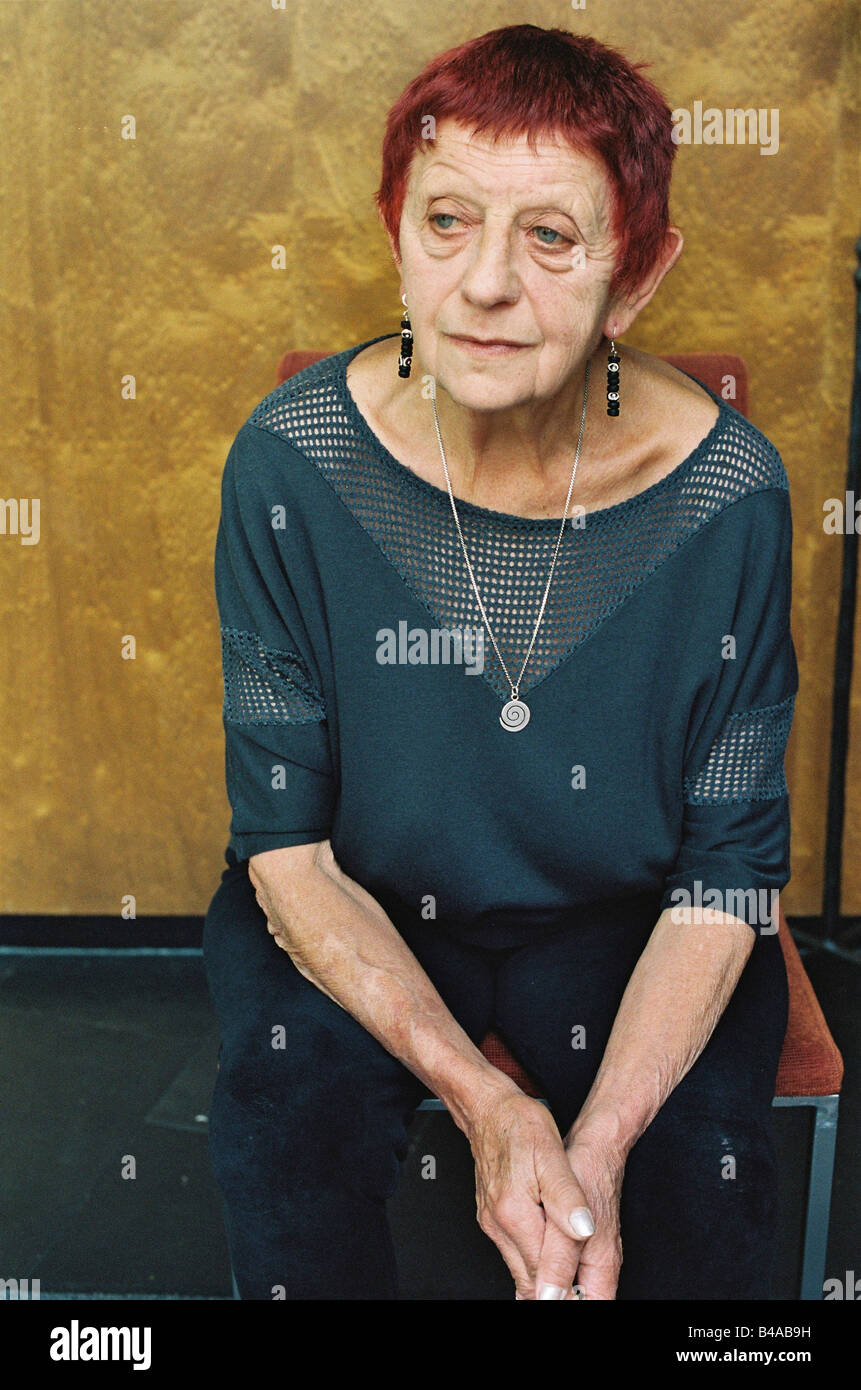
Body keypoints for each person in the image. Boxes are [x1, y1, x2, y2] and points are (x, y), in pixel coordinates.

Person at [203, 24, 798, 1300]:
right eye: (448, 221)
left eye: (551, 236)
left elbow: (730, 875)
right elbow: (287, 852)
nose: (484, 284)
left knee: (706, 1175)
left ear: (635, 276)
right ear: (396, 232)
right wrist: (489, 1109)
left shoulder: (730, 495)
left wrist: (595, 1147)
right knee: (284, 1117)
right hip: (360, 894)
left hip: (624, 914)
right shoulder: (289, 468)